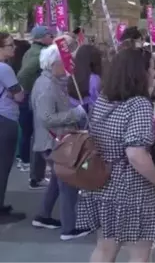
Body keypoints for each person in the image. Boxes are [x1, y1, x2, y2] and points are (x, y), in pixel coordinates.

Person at [77, 48, 155, 263]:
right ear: (139, 73)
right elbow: (136, 153)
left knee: (105, 248)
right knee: (139, 252)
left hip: (102, 182)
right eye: (151, 69)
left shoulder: (103, 99)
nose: (154, 74)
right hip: (131, 189)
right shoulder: (139, 104)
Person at [30, 44, 90, 240]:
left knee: (58, 181)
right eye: (64, 63)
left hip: (54, 139)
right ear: (54, 64)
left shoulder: (49, 81)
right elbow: (47, 117)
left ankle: (43, 215)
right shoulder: (47, 86)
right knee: (68, 181)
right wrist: (76, 113)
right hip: (54, 140)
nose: (67, 66)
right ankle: (69, 228)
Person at [17, 26, 54, 181]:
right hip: (33, 96)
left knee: (29, 131)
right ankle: (28, 163)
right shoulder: (39, 53)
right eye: (49, 35)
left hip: (30, 95)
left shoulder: (31, 50)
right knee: (35, 133)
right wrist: (25, 90)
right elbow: (23, 73)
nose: (51, 37)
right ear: (41, 37)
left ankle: (26, 161)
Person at [0, 32, 26, 224]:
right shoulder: (4, 69)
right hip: (5, 118)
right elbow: (19, 96)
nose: (13, 48)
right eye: (9, 45)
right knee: (3, 166)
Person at [67, 44, 102, 113]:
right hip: (87, 116)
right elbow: (96, 103)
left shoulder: (70, 74)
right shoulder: (94, 79)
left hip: (72, 114)